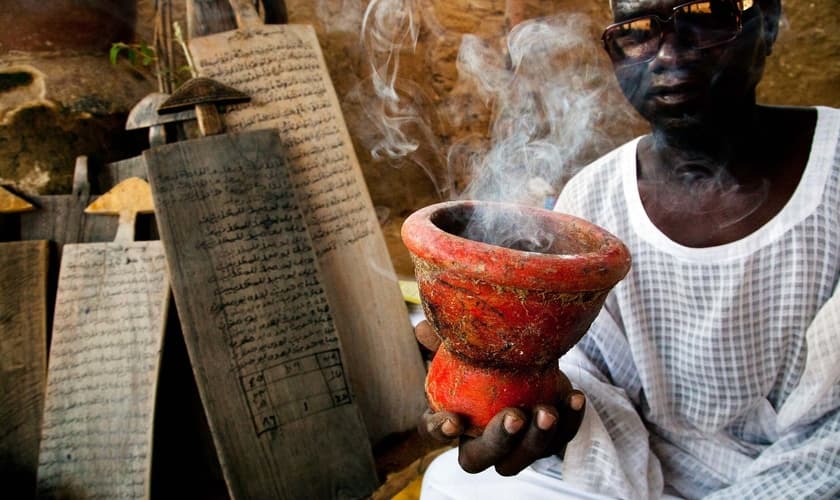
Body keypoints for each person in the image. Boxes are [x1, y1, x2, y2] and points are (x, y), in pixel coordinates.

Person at [417, 0, 840, 497]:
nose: (667, 54)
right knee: (452, 484)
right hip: (640, 470)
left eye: (705, 14)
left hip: (811, 470)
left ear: (766, 25)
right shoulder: (594, 196)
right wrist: (539, 406)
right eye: (637, 30)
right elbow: (588, 379)